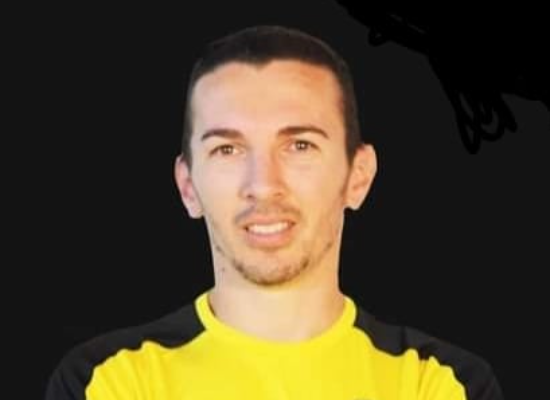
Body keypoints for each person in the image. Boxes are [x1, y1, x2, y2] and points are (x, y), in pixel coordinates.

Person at [45, 25, 504, 400]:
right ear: (188, 187)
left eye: (299, 145)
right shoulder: (110, 380)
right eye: (227, 149)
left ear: (358, 176)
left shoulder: (438, 383)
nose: (263, 184)